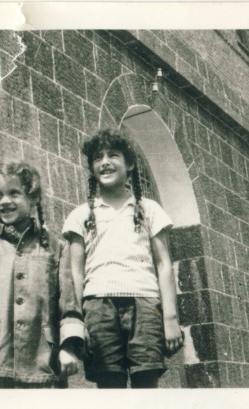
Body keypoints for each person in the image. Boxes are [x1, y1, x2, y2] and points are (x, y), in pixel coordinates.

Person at [62, 129, 184, 388]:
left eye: (113, 155)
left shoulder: (150, 210)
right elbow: (75, 273)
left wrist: (170, 318)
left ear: (129, 164)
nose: (105, 162)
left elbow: (163, 264)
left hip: (146, 306)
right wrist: (77, 323)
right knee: (110, 387)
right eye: (97, 157)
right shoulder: (81, 215)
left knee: (146, 383)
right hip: (98, 308)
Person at [0, 159, 84, 389]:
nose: (5, 201)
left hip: (45, 363)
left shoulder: (56, 248)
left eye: (14, 193)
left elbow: (69, 306)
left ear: (32, 198)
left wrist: (68, 347)